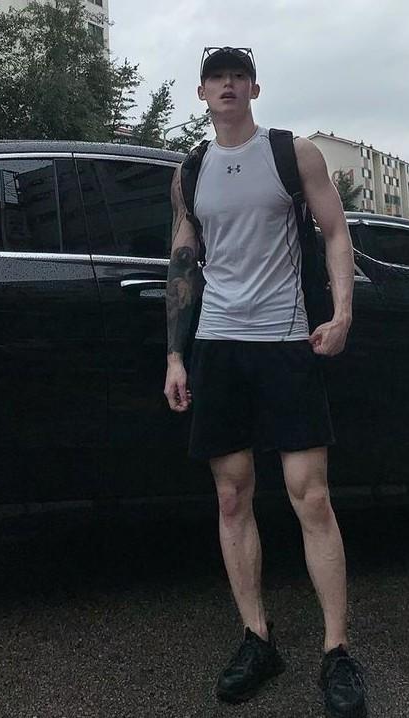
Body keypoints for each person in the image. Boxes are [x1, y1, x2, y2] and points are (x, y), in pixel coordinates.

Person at [164, 46, 367, 718]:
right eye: (216, 77)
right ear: (202, 93)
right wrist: (175, 356)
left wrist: (341, 314)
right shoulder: (191, 171)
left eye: (237, 76)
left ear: (254, 88)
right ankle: (257, 638)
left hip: (285, 342)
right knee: (231, 497)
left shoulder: (292, 153)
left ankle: (337, 651)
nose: (227, 85)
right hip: (218, 347)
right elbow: (183, 262)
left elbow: (336, 233)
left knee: (312, 497)